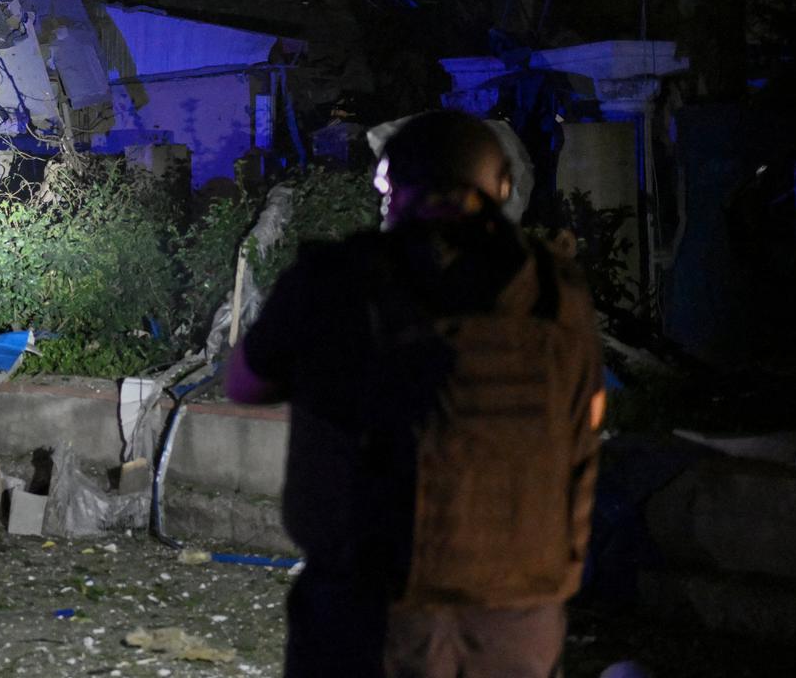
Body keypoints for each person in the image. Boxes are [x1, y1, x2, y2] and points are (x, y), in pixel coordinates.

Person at [228, 110, 603, 678]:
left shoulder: (333, 278)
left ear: (395, 188)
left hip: (374, 614)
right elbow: (585, 422)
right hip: (517, 620)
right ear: (500, 187)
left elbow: (244, 382)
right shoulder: (557, 294)